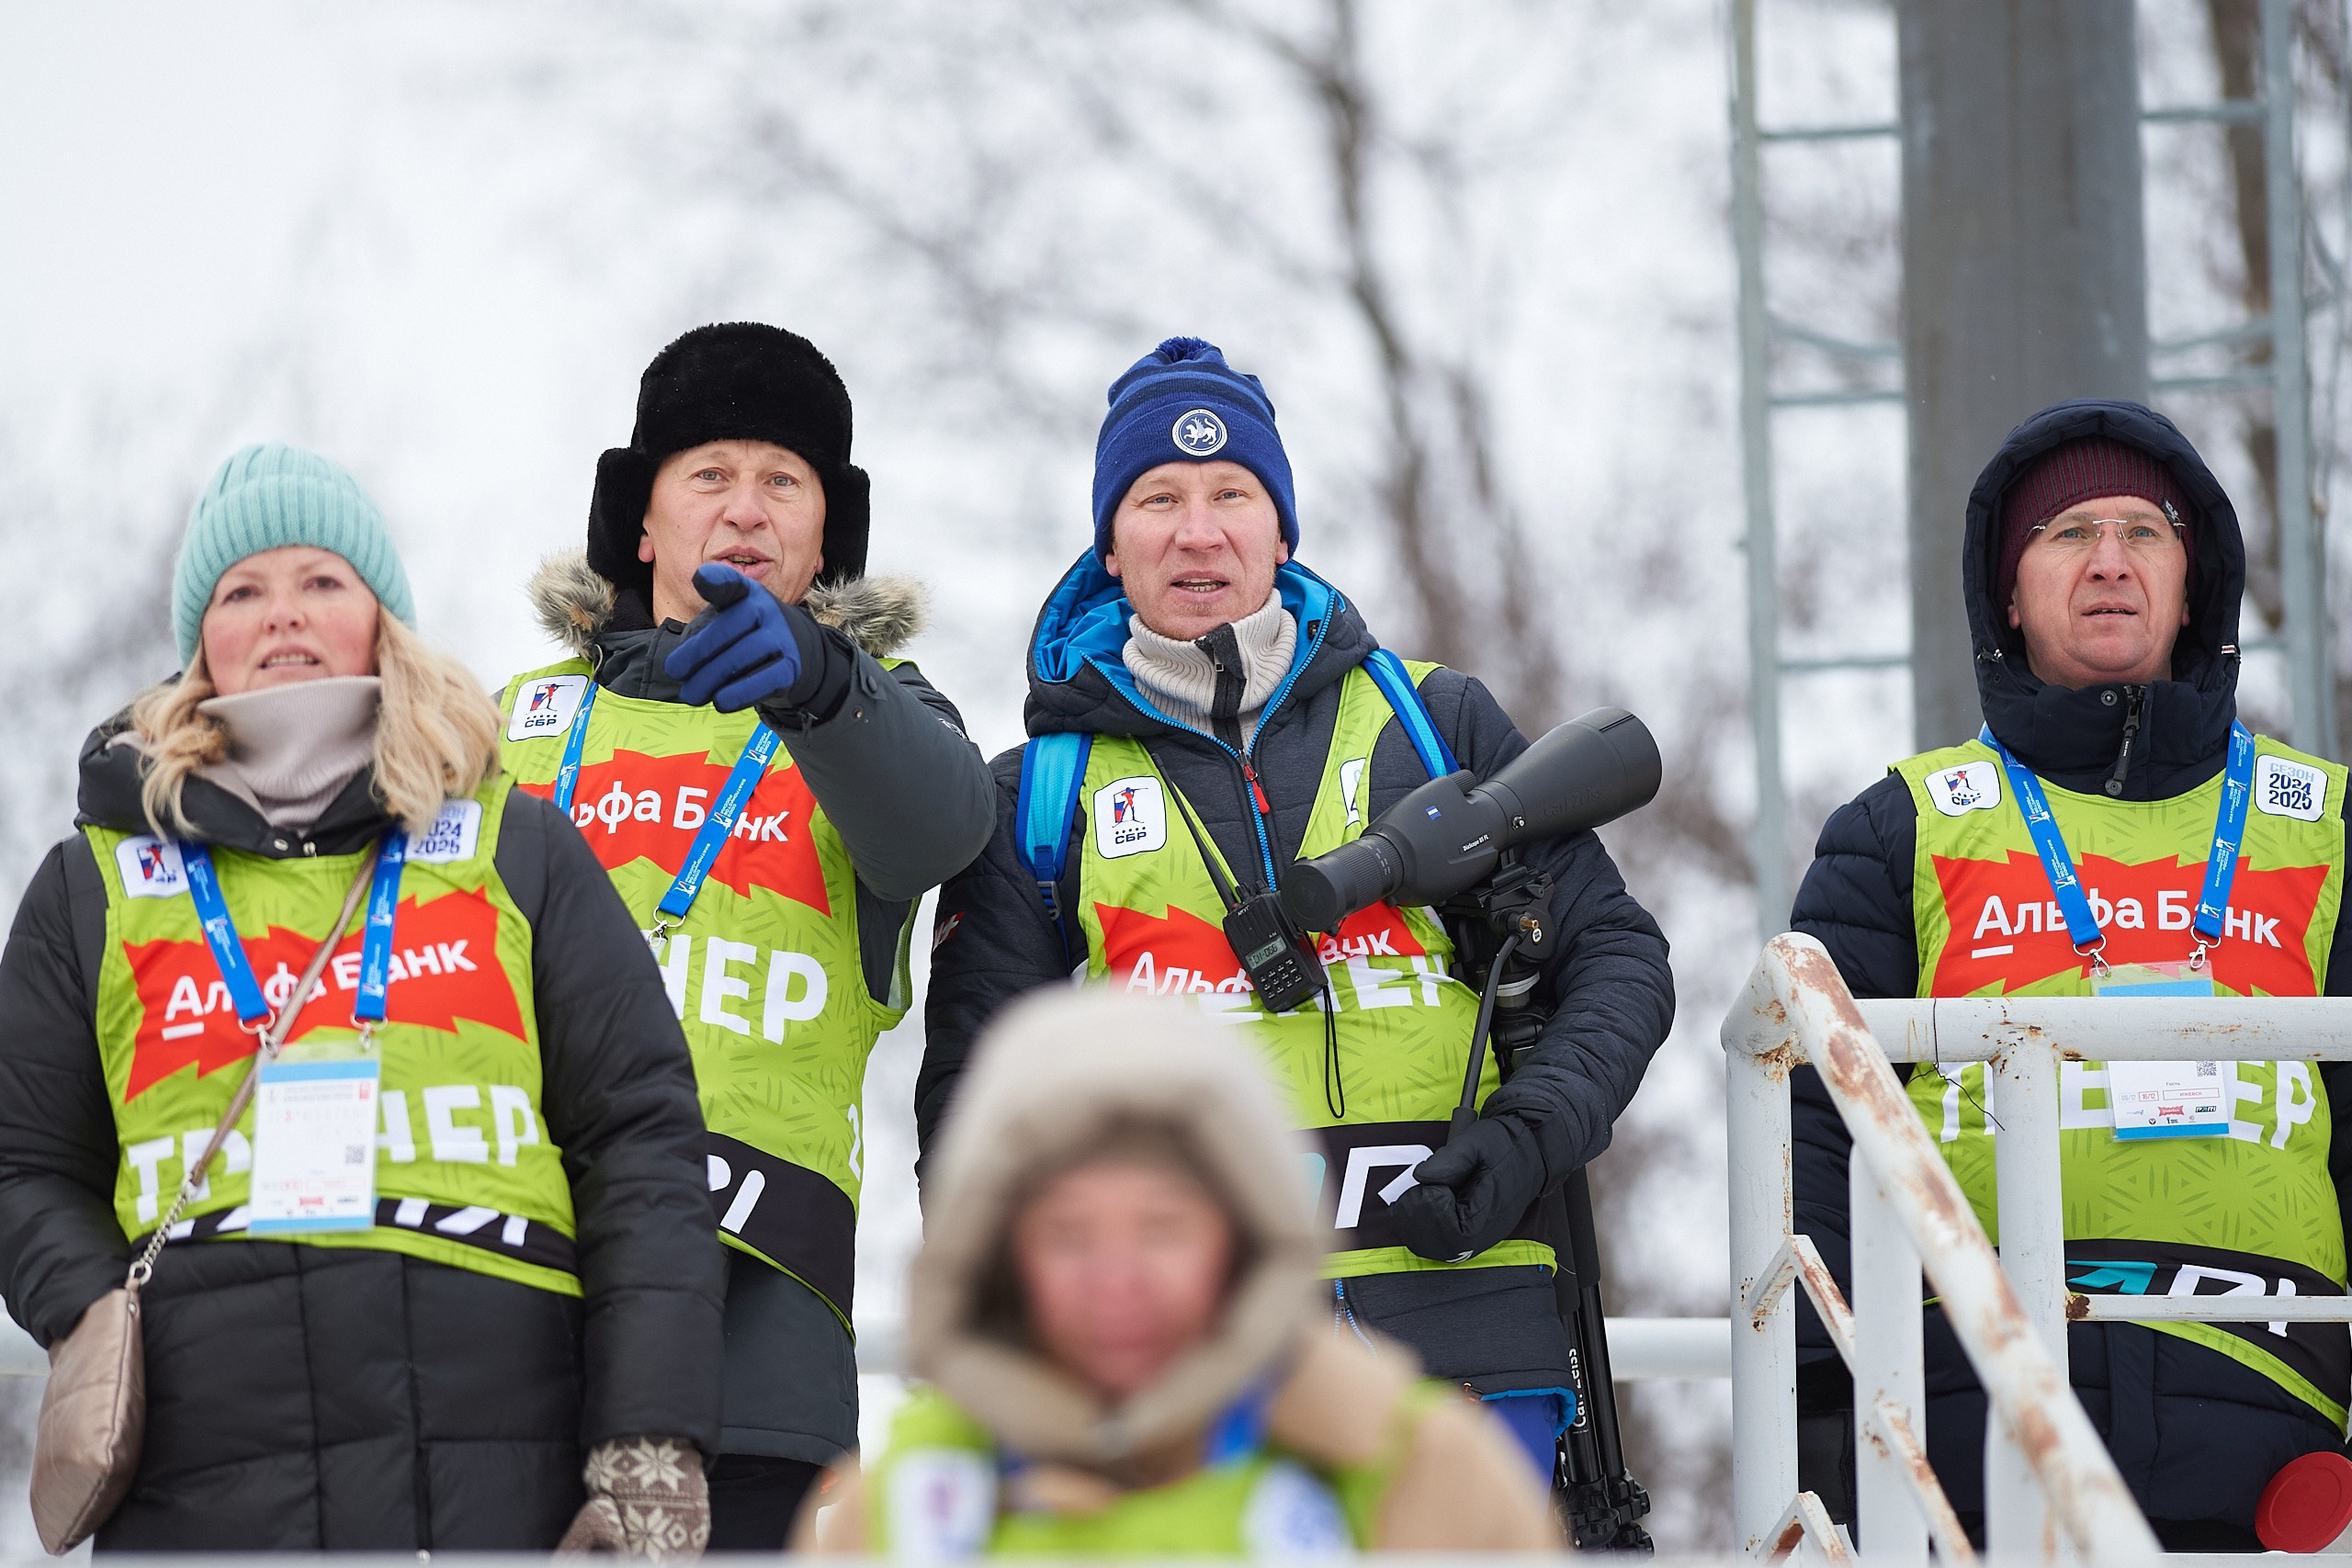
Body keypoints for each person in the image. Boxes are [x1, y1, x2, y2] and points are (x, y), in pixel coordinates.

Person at [922, 335, 1675, 1483]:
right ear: (1110, 547)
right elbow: (973, 1105)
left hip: (1469, 1332)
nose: (1198, 531)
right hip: (1177, 1370)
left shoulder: (1435, 721)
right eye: (1157, 499)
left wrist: (1528, 1137)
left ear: (1281, 531)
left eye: (1232, 494)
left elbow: (1618, 958)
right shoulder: (1039, 794)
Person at [0, 444, 722, 1551]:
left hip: (501, 1458)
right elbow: (22, 1164)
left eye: (322, 581)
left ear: (384, 620)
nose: (283, 613)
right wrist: (95, 1313)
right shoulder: (92, 884)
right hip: (202, 1458)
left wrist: (649, 1439)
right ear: (201, 642)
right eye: (243, 591)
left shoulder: (516, 845)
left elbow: (640, 1144)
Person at [1790, 400, 2352, 1549]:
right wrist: (1819, 1413)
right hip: (1972, 1394)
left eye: (2144, 531)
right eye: (2065, 533)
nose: (2108, 560)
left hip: (2269, 1399)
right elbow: (1814, 1138)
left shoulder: (2326, 825)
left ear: (2191, 585)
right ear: (2007, 593)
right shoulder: (1899, 828)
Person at [500, 321, 996, 1547]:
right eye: (709, 473)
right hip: (517, 1289)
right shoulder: (510, 723)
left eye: (784, 480)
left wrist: (818, 681)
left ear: (826, 536)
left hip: (760, 1330)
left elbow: (942, 827)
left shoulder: (877, 715)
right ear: (642, 522)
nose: (745, 508)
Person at [797, 990, 1558, 1553]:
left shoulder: (1418, 1473)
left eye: (1162, 1226)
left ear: (1241, 1238)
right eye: (1066, 1232)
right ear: (1000, 1257)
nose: (1116, 1279)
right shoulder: (898, 1512)